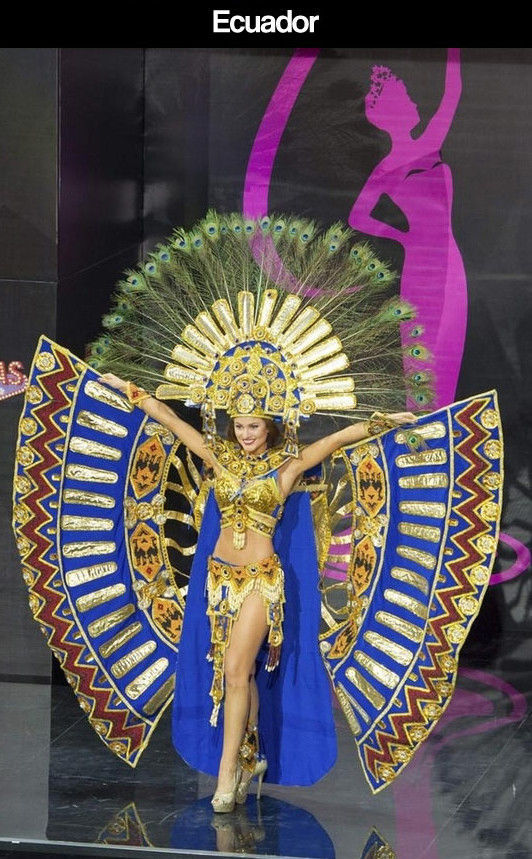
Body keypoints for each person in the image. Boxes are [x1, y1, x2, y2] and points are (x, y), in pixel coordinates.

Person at [98, 368, 415, 810]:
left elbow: (336, 441)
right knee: (238, 674)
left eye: (255, 426)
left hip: (262, 582)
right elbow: (171, 421)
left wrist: (381, 423)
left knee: (234, 668)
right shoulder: (219, 457)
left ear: (270, 428)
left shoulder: (287, 467)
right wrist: (128, 391)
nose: (246, 434)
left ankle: (228, 772)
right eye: (241, 426)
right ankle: (249, 758)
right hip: (218, 581)